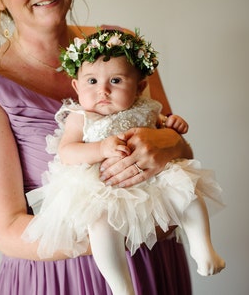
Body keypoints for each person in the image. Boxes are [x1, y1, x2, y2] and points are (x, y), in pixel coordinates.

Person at [0, 0, 195, 294]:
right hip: (63, 277)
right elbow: (7, 231)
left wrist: (171, 144)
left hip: (154, 261)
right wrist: (128, 229)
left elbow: (182, 153)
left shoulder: (123, 47)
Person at [22, 30, 225, 295]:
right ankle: (121, 287)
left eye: (116, 80)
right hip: (104, 187)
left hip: (153, 181)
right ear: (76, 86)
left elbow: (165, 128)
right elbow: (67, 152)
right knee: (101, 226)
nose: (103, 91)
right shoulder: (80, 116)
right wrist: (100, 148)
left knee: (187, 189)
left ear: (139, 86)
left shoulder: (146, 106)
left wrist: (172, 126)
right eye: (92, 81)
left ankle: (203, 247)